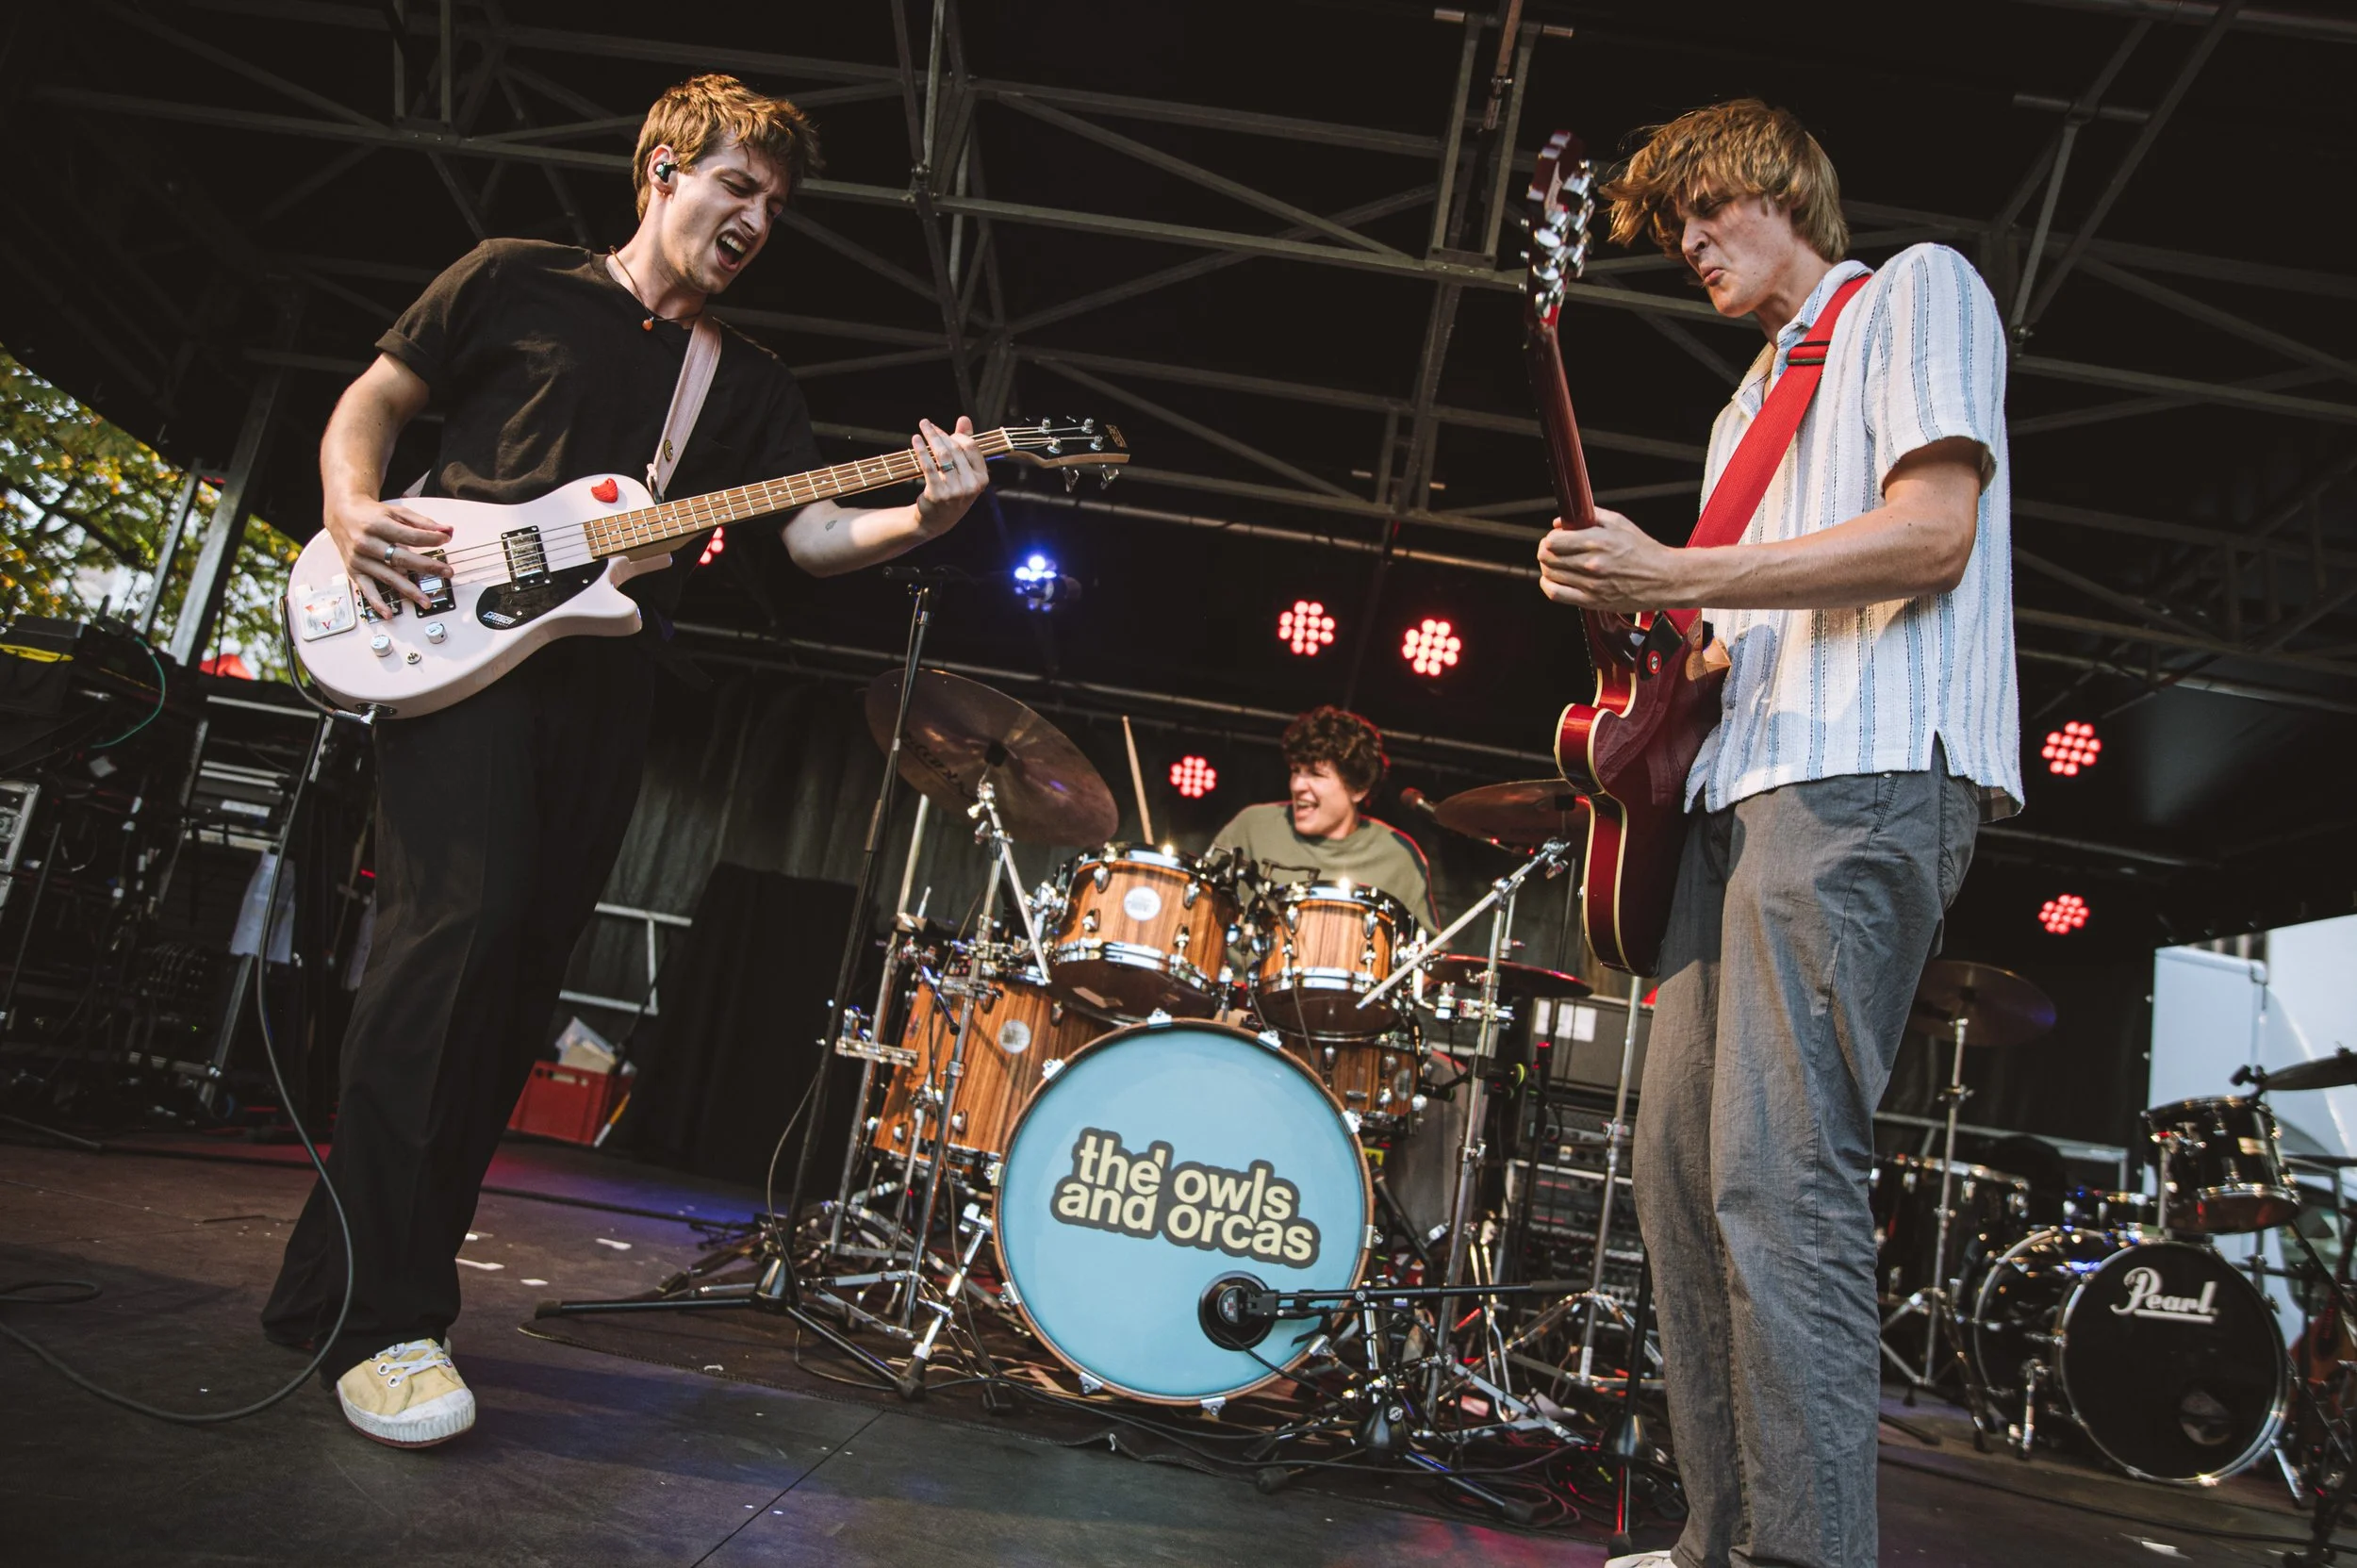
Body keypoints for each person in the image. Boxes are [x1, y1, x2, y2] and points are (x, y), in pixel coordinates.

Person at [260, 74, 991, 1449]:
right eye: (736, 186)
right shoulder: (512, 278)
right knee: (449, 946)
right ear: (662, 168)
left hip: (605, 685)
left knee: (511, 979)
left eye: (775, 205)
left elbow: (810, 539)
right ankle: (386, 1319)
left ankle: (330, 1287)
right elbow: (376, 394)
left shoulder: (748, 382)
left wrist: (919, 518)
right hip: (449, 650)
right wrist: (352, 510)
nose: (756, 219)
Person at [1536, 101, 2018, 1568]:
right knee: (1680, 1167)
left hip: (1872, 769)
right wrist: (1660, 636)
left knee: (1782, 1169)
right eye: (1667, 226)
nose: (1684, 243)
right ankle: (1721, 1539)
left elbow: (1934, 533)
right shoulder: (1742, 407)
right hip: (1742, 796)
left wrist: (1677, 560)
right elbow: (1741, 618)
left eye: (1699, 211)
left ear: (1777, 185)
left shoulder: (1915, 291)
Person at [1210, 705, 1435, 928]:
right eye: (1296, 771)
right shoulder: (1252, 827)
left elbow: (1427, 958)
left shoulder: (1399, 857)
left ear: (1359, 788)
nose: (1297, 785)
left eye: (1316, 774)